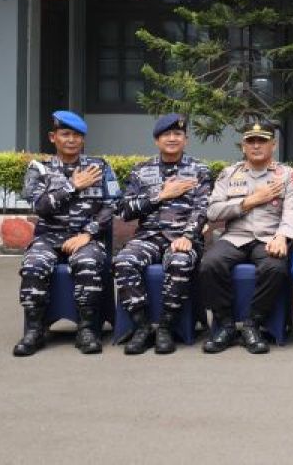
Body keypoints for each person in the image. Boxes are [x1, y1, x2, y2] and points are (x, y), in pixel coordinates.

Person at [13, 110, 119, 357]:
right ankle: (34, 330)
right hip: (48, 238)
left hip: (86, 238)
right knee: (33, 265)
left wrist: (89, 233)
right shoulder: (39, 168)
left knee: (88, 262)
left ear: (83, 140)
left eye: (77, 135)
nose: (71, 140)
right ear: (53, 137)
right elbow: (39, 206)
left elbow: (113, 204)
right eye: (66, 134)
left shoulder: (100, 166)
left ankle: (87, 329)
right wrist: (72, 186)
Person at [199, 120, 293, 354]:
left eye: (262, 141)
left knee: (275, 268)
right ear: (243, 146)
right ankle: (225, 324)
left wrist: (283, 237)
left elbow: (292, 211)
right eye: (251, 141)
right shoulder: (229, 174)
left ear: (273, 145)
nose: (256, 146)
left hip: (269, 236)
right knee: (209, 264)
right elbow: (213, 211)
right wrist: (249, 202)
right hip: (235, 236)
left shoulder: (287, 175)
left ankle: (253, 324)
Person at [114, 114, 212, 355]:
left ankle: (167, 326)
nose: (172, 138)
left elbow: (203, 209)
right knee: (123, 261)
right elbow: (125, 210)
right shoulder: (141, 171)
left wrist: (189, 236)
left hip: (183, 237)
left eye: (177, 134)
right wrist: (161, 194)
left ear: (185, 140)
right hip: (148, 237)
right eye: (166, 134)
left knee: (180, 261)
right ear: (157, 140)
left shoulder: (199, 170)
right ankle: (142, 326)